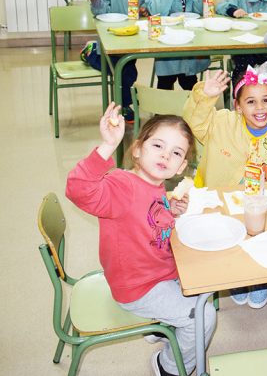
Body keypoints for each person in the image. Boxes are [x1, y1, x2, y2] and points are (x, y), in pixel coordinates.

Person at [65, 105, 216, 376]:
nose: (166, 155)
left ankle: (163, 325)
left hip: (157, 272)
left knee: (206, 281)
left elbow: (144, 219)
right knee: (204, 315)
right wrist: (107, 145)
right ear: (136, 149)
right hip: (138, 287)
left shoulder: (155, 186)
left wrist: (170, 211)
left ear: (180, 167)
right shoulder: (121, 185)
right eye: (158, 145)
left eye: (176, 153)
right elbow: (78, 189)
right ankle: (168, 367)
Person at [182, 64, 267, 308]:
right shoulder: (221, 122)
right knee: (232, 237)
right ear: (238, 106)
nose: (259, 108)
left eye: (266, 100)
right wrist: (204, 96)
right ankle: (238, 279)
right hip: (223, 198)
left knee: (263, 234)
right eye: (250, 102)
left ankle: (259, 279)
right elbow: (193, 123)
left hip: (264, 201)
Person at [83, 0, 151, 121]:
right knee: (125, 70)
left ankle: (126, 97)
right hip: (114, 37)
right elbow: (100, 11)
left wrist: (146, 7)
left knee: (127, 68)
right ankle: (125, 104)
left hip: (134, 35)